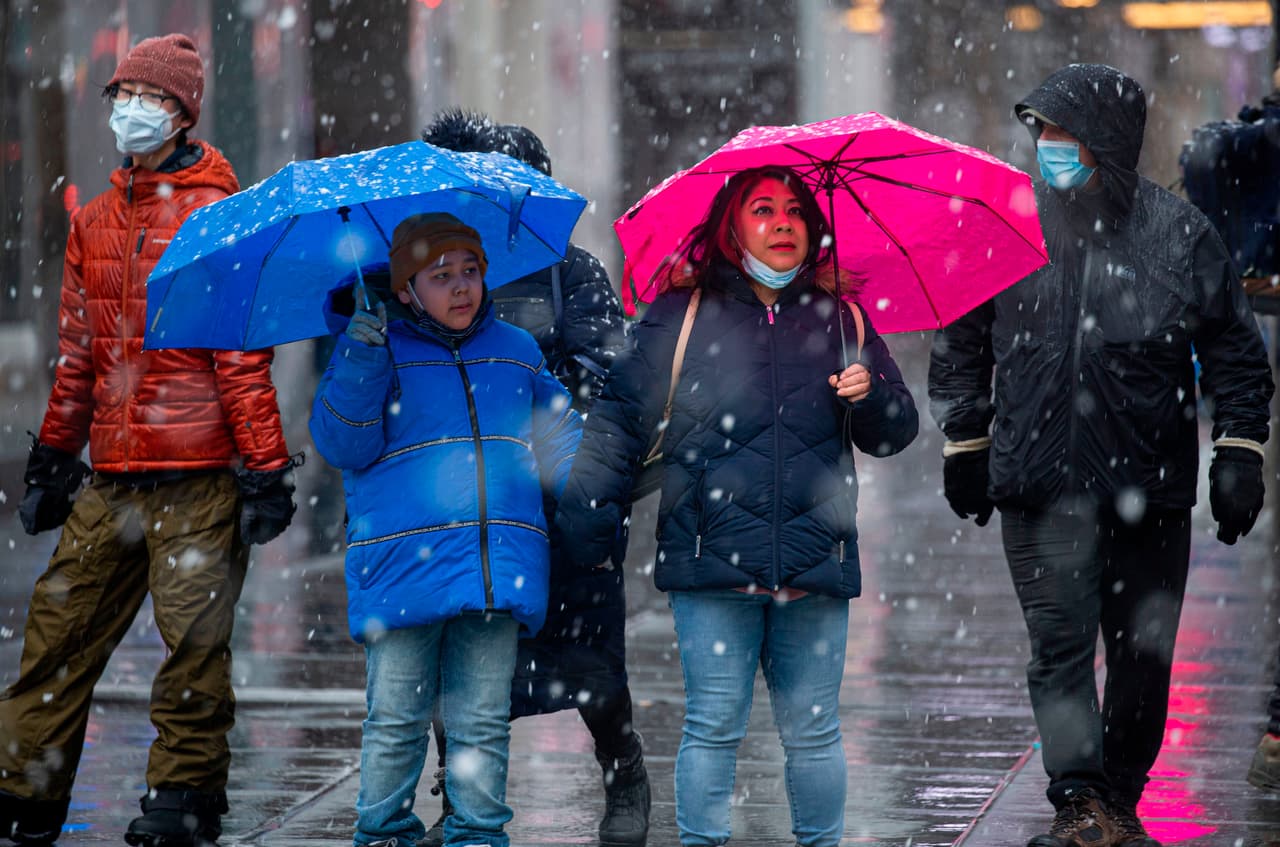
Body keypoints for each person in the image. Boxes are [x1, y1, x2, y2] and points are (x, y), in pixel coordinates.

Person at [928, 63, 1274, 847]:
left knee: (1142, 657)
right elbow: (961, 340)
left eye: (1063, 131)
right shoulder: (1009, 224)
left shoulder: (1179, 234)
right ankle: (1080, 800)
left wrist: (1239, 449)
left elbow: (1235, 353)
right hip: (1038, 487)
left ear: (1107, 140)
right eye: (1041, 130)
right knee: (1058, 648)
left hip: (1146, 488)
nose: (1047, 146)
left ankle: (1117, 797)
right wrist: (966, 440)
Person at [555, 165, 919, 847]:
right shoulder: (680, 315)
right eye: (763, 209)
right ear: (731, 228)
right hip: (711, 561)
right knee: (714, 724)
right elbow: (618, 421)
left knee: (813, 731)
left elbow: (896, 431)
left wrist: (871, 395)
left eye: (795, 211)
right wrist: (585, 519)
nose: (783, 223)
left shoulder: (843, 317)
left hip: (814, 560)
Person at [0, 33, 298, 847]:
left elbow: (240, 357)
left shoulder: (216, 216)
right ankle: (24, 791)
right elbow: (78, 354)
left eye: (152, 99)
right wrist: (56, 456)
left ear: (183, 115)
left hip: (199, 475)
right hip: (114, 475)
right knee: (56, 635)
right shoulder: (93, 222)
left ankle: (183, 798)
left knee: (193, 650)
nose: (132, 112)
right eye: (124, 96)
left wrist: (265, 468)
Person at [309, 212, 582, 847]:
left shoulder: (516, 350)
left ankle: (478, 832)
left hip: (493, 565)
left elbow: (560, 437)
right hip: (404, 570)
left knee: (482, 719)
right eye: (440, 277)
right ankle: (383, 831)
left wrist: (589, 491)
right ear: (405, 290)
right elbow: (343, 445)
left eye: (470, 273)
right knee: (397, 717)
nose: (461, 288)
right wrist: (359, 358)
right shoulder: (377, 348)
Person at [420, 110, 648, 846]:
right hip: (468, 509)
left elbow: (611, 371)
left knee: (591, 666)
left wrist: (534, 400)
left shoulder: (569, 270)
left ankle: (624, 768)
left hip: (559, 501)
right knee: (464, 671)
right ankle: (463, 797)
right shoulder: (434, 276)